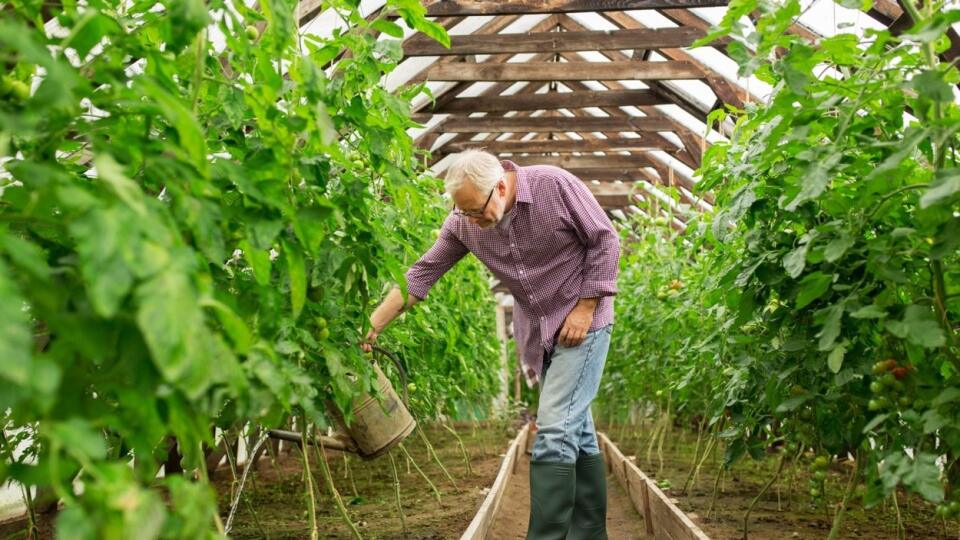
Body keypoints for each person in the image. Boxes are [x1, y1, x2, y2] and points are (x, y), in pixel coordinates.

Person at [362, 149, 619, 539]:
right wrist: (374, 324)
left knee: (552, 431)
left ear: (500, 186)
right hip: (541, 330)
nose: (471, 221)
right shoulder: (464, 223)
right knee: (575, 431)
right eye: (462, 213)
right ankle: (589, 534)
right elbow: (421, 274)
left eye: (477, 211)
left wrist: (585, 307)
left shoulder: (554, 185)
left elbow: (605, 240)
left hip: (584, 323)